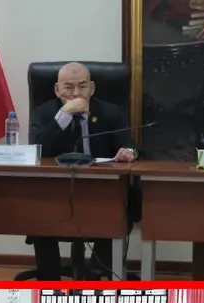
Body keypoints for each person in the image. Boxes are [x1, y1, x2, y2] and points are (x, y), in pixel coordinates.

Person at [27, 62, 138, 280]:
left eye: (82, 86)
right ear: (57, 90)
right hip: (55, 191)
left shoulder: (111, 113)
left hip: (101, 191)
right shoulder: (44, 113)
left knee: (119, 206)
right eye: (68, 87)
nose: (76, 93)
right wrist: (65, 114)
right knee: (38, 211)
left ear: (92, 88)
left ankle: (98, 275)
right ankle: (49, 282)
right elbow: (39, 151)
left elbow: (130, 145)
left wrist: (129, 153)